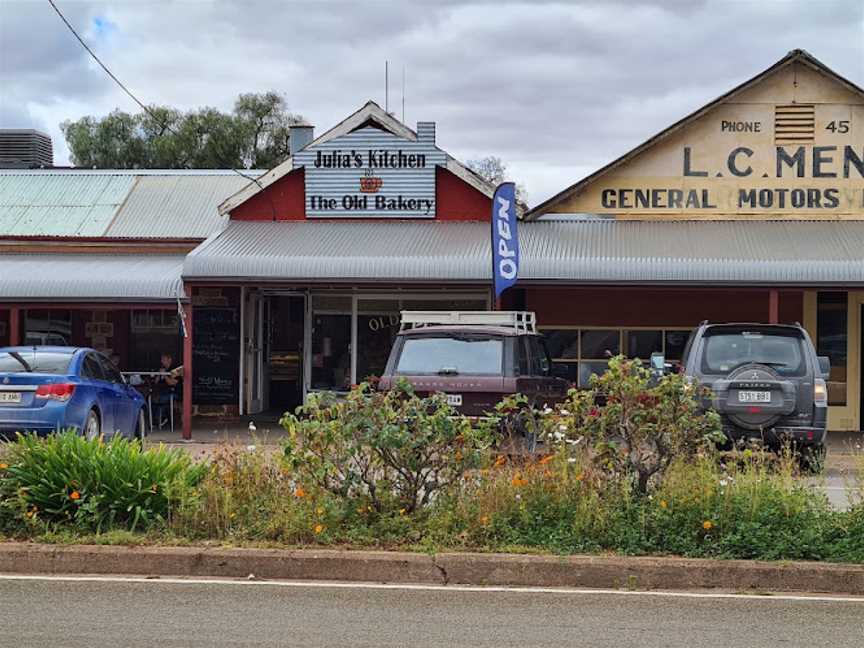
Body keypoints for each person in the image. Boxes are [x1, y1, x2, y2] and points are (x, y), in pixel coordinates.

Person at [152, 353, 180, 429]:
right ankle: (155, 421)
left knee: (160, 399)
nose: (162, 361)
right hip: (161, 392)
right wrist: (159, 374)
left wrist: (164, 375)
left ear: (169, 359)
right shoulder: (161, 368)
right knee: (151, 399)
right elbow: (156, 382)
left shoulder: (175, 369)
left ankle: (161, 419)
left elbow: (172, 383)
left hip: (173, 392)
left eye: (163, 359)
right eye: (161, 359)